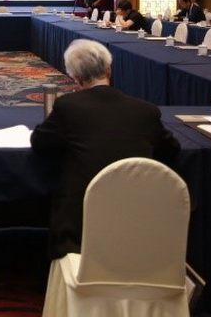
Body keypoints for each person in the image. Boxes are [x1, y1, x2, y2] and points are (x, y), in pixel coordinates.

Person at [31, 39, 180, 259]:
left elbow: (39, 143)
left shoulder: (68, 106)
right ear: (109, 70)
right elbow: (171, 150)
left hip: (80, 232)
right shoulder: (146, 111)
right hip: (141, 226)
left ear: (76, 78)